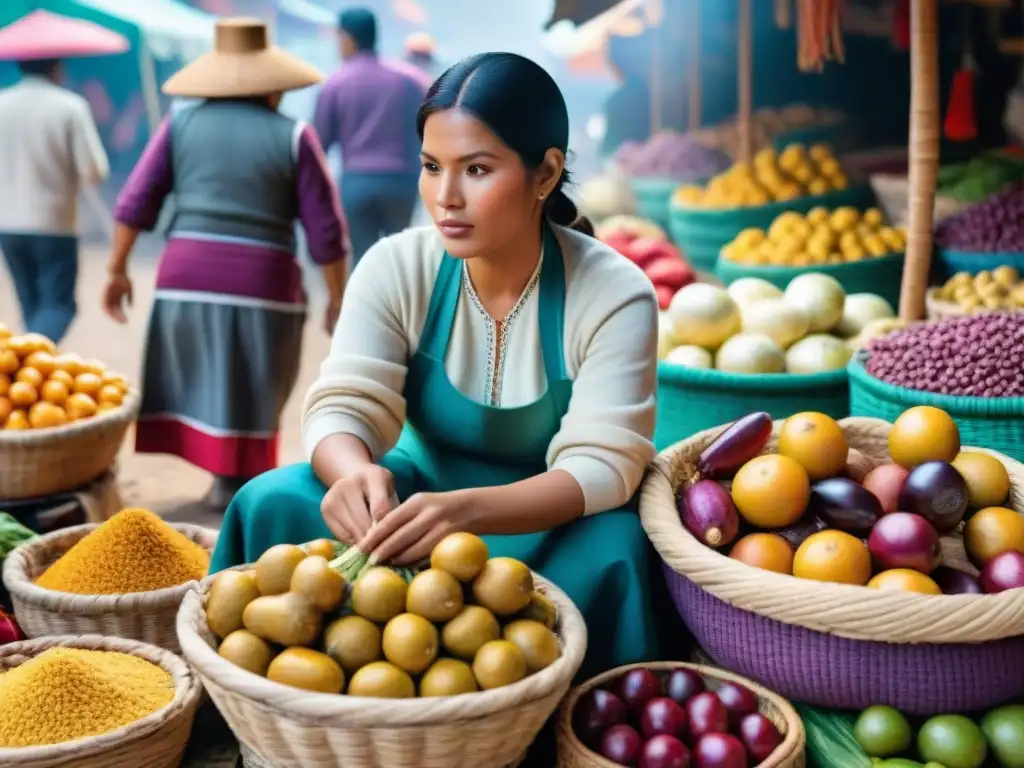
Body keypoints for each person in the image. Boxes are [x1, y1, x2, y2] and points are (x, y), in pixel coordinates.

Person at [211, 52, 661, 677]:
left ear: (546, 173)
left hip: (546, 513)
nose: (445, 198)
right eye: (430, 167)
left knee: (619, 547)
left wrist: (466, 512)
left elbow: (604, 467)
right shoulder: (397, 266)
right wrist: (351, 474)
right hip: (413, 494)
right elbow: (345, 403)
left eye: (476, 169)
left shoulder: (613, 292)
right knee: (273, 497)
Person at [103, 18, 349, 512]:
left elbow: (136, 201)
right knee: (256, 380)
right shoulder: (294, 136)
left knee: (206, 376)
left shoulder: (181, 123)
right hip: (263, 284)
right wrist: (337, 297)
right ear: (274, 88)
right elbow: (326, 231)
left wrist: (117, 268)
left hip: (184, 277)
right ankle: (233, 480)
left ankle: (224, 478)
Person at [0, 57, 109, 344]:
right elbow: (94, 171)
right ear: (56, 67)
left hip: (7, 223)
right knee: (59, 306)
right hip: (54, 222)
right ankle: (25, 363)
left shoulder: (2, 103)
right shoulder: (70, 106)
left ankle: (26, 374)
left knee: (31, 305)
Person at [313, 8, 427, 270]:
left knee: (363, 260)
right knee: (399, 259)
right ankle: (401, 310)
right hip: (403, 182)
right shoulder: (409, 81)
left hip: (357, 184)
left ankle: (368, 309)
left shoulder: (335, 84)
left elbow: (319, 143)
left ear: (347, 38)